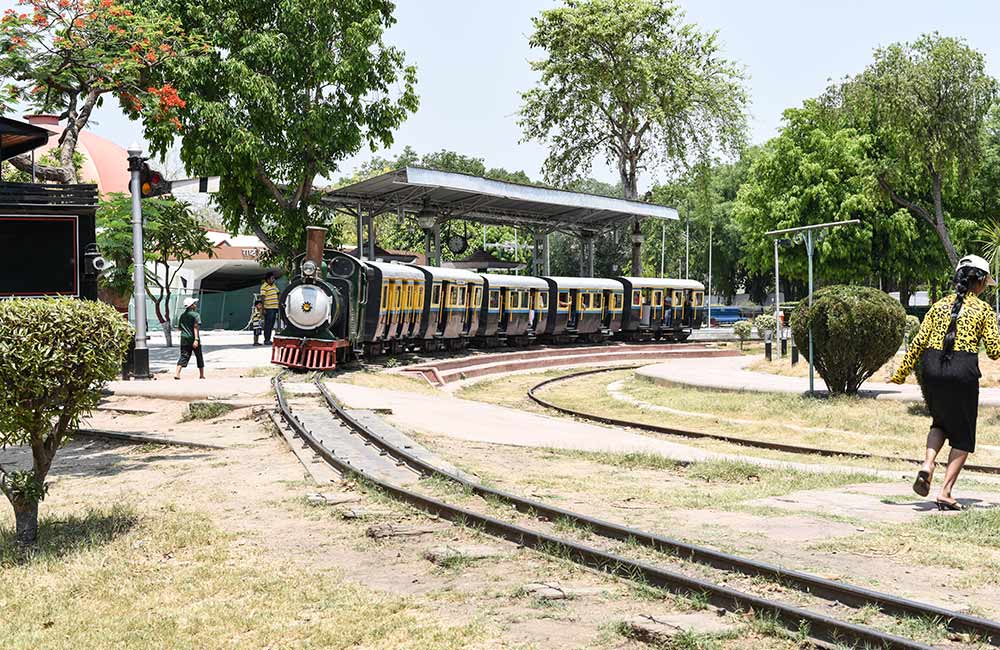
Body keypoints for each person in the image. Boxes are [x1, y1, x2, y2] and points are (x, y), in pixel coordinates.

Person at [890, 254, 1000, 510]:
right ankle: (946, 492)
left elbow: (917, 342)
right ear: (981, 281)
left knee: (940, 422)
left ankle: (927, 465)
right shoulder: (983, 310)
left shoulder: (938, 305)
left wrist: (901, 372)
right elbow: (995, 351)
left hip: (931, 368)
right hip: (961, 371)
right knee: (963, 437)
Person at [175, 297, 205, 380]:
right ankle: (201, 375)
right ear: (191, 306)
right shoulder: (196, 315)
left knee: (184, 355)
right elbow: (196, 327)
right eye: (194, 304)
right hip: (193, 338)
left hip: (184, 338)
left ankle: (177, 373)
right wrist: (196, 339)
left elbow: (179, 328)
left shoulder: (182, 315)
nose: (195, 305)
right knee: (199, 356)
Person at [260, 271, 280, 345]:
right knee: (268, 324)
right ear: (268, 279)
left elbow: (278, 292)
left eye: (273, 278)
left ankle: (269, 339)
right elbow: (262, 297)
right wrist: (263, 308)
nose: (273, 280)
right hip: (268, 308)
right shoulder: (264, 286)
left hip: (274, 308)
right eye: (272, 278)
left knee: (271, 324)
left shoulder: (274, 286)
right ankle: (266, 339)